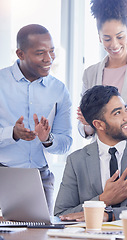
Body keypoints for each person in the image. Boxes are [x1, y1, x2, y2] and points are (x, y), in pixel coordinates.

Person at [54, 85, 127, 222]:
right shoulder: (76, 161)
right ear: (99, 124)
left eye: (126, 110)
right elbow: (62, 213)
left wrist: (109, 214)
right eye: (117, 113)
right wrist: (103, 200)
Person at [0, 24, 72, 215]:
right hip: (3, 174)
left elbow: (66, 142)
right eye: (40, 53)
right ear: (20, 54)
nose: (48, 59)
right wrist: (12, 133)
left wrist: (47, 139)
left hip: (41, 179)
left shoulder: (59, 90)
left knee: (41, 236)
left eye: (51, 51)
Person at [77, 0, 127, 141]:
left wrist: (109, 121)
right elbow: (85, 127)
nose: (114, 44)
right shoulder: (90, 73)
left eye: (120, 37)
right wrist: (87, 123)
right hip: (101, 153)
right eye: (107, 39)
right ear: (99, 38)